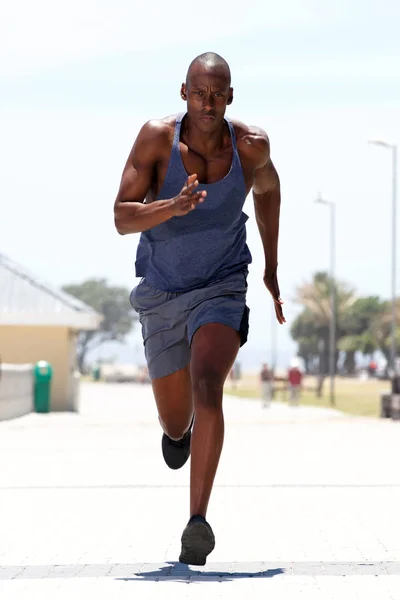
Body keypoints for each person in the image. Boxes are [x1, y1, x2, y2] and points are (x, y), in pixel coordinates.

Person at [114, 52, 285, 566]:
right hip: (164, 292)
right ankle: (179, 433)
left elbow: (270, 191)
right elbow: (122, 217)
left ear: (230, 96)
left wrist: (271, 269)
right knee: (173, 420)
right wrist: (172, 206)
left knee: (208, 384)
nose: (207, 104)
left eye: (217, 94)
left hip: (222, 284)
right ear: (183, 92)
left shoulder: (250, 145)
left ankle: (197, 523)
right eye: (198, 93)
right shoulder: (156, 139)